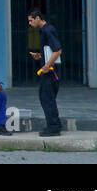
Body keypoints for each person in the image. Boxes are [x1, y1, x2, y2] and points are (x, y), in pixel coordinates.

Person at [28, 8, 63, 137]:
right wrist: (40, 56)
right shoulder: (44, 30)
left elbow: (57, 50)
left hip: (50, 72)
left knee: (47, 98)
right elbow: (50, 51)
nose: (30, 24)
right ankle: (55, 124)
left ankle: (53, 127)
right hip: (49, 69)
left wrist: (47, 66)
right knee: (48, 98)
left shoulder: (48, 30)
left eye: (31, 20)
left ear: (38, 18)